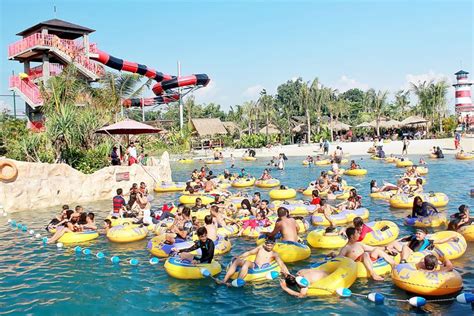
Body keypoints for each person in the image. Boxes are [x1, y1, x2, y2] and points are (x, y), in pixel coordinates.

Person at [217, 237, 289, 286]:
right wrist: (240, 256)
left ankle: (238, 281)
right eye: (267, 245)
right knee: (237, 261)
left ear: (274, 244)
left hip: (259, 268)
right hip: (254, 264)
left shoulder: (274, 254)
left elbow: (281, 264)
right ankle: (224, 280)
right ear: (265, 243)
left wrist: (288, 274)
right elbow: (250, 253)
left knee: (246, 263)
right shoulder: (261, 247)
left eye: (270, 246)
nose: (269, 247)